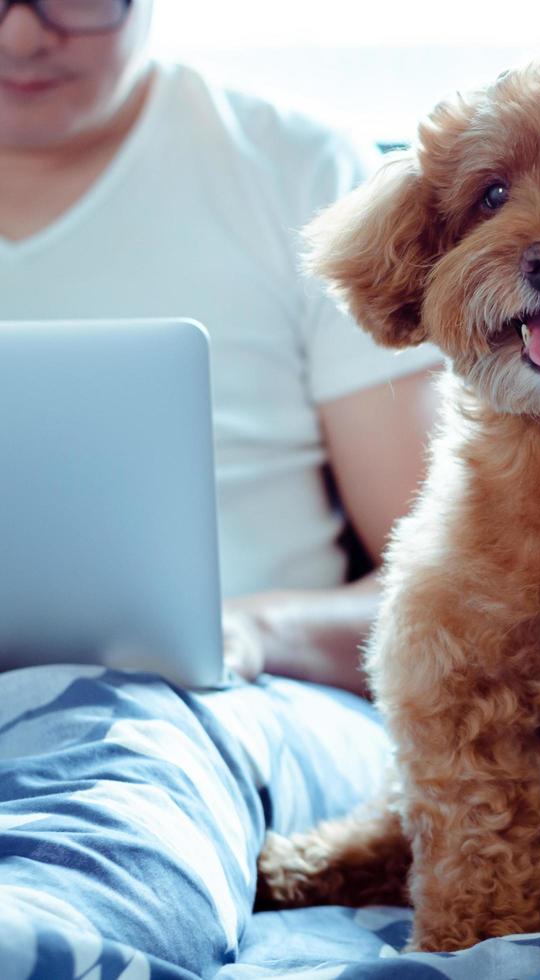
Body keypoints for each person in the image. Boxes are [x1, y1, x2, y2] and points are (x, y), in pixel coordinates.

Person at [0, 2, 441, 975]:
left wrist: (249, 631)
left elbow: (458, 592)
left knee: (122, 745)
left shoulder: (298, 174)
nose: (23, 38)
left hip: (232, 707)